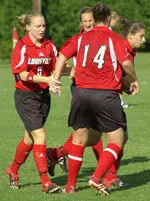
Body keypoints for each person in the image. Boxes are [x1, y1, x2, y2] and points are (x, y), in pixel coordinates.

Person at [50, 3, 139, 195]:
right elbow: (125, 63)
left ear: (95, 18)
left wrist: (55, 79)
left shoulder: (81, 38)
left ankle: (70, 186)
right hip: (105, 94)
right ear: (107, 19)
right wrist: (134, 79)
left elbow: (62, 56)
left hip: (81, 94)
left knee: (79, 140)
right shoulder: (114, 38)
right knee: (117, 139)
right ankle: (97, 177)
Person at [4, 11, 61, 194]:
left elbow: (56, 67)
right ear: (28, 27)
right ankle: (46, 182)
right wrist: (46, 80)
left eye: (44, 25)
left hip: (43, 97)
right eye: (38, 26)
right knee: (40, 136)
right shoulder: (21, 47)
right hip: (25, 96)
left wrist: (73, 72)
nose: (42, 29)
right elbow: (20, 74)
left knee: (30, 137)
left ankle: (12, 170)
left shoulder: (49, 46)